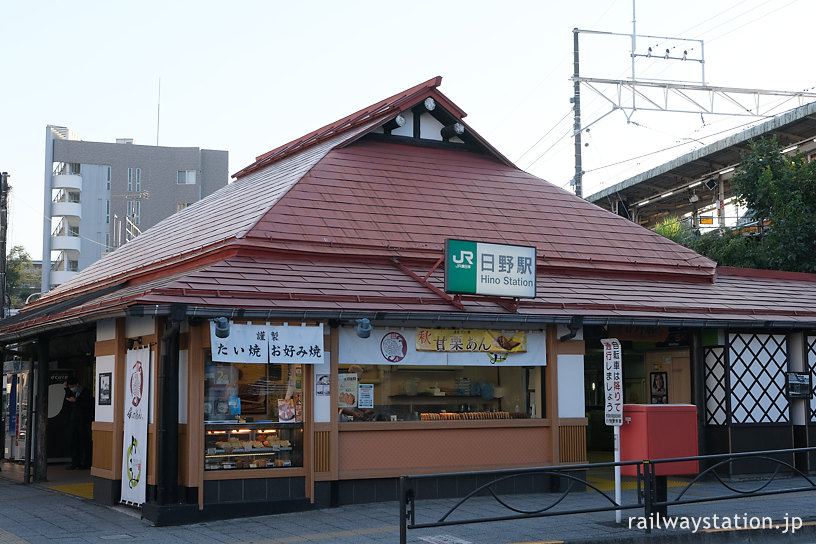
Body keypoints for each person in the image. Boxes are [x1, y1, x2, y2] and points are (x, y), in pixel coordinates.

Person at [64, 377, 93, 469]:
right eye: (69, 386)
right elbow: (69, 397)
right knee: (74, 442)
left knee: (84, 442)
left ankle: (85, 463)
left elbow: (88, 403)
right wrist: (66, 388)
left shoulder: (85, 392)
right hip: (74, 421)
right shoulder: (72, 392)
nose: (71, 388)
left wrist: (76, 401)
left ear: (77, 384)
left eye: (72, 386)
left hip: (84, 421)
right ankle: (75, 462)